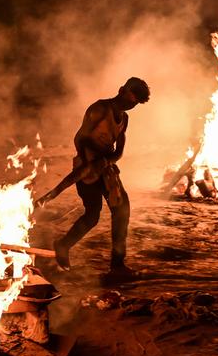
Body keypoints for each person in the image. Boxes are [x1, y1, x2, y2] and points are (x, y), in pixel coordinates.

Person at [53, 77, 150, 276]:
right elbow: (80, 138)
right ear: (121, 89)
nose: (130, 106)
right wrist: (89, 162)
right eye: (129, 100)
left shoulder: (124, 118)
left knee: (122, 210)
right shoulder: (99, 109)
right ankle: (62, 246)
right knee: (92, 215)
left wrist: (106, 161)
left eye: (134, 104)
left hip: (105, 168)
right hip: (86, 167)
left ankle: (117, 264)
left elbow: (119, 151)